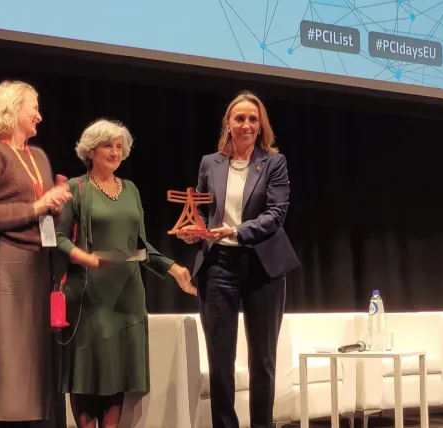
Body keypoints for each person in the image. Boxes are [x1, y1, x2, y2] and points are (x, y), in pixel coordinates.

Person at [54, 119, 196, 428]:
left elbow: (141, 246)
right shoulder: (75, 188)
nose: (115, 152)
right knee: (87, 374)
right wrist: (83, 257)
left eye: (119, 146)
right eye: (108, 145)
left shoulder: (130, 190)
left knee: (117, 374)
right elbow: (59, 237)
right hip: (89, 296)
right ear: (90, 150)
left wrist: (173, 268)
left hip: (127, 296)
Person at [177, 91, 300, 428]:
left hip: (263, 267)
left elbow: (276, 214)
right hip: (219, 266)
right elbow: (202, 210)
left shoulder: (274, 162)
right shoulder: (210, 163)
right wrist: (196, 230)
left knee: (262, 360)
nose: (246, 125)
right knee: (220, 361)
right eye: (240, 118)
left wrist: (234, 231)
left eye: (253, 119)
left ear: (261, 126)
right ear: (228, 124)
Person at [0, 80, 72, 427]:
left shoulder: (38, 157)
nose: (40, 115)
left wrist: (55, 204)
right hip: (4, 265)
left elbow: (43, 214)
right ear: (12, 108)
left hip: (37, 264)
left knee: (31, 364)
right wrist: (37, 206)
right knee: (5, 361)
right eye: (34, 107)